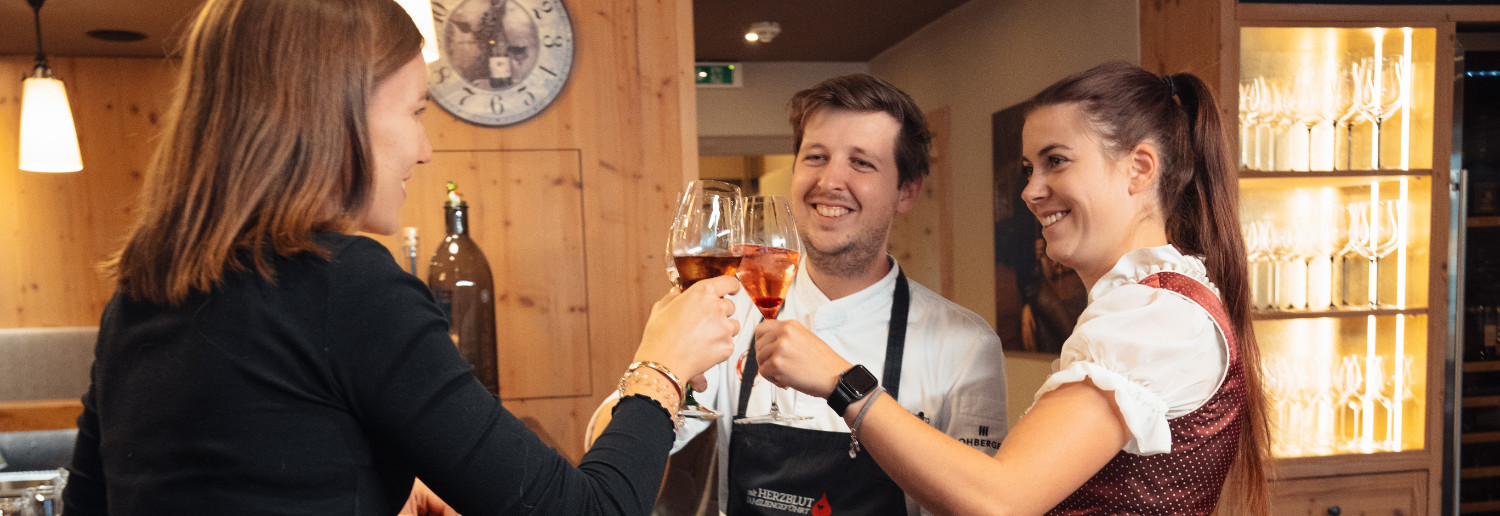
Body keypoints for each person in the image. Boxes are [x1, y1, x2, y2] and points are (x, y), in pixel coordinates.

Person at [60, 0, 740, 514]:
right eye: (415, 112)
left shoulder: (141, 294)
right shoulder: (347, 284)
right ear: (334, 116)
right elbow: (588, 510)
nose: (425, 150)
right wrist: (662, 369)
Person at [754, 61, 1272, 515]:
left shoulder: (1154, 317)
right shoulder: (1145, 307)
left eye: (1057, 161)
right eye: (1029, 168)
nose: (1030, 191)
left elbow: (998, 501)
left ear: (1138, 168)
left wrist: (844, 382)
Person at [588, 73, 1009, 516]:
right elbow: (612, 450)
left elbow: (983, 505)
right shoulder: (733, 313)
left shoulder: (965, 345)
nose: (830, 180)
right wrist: (661, 369)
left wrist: (844, 385)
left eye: (861, 163)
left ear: (907, 191)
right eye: (816, 156)